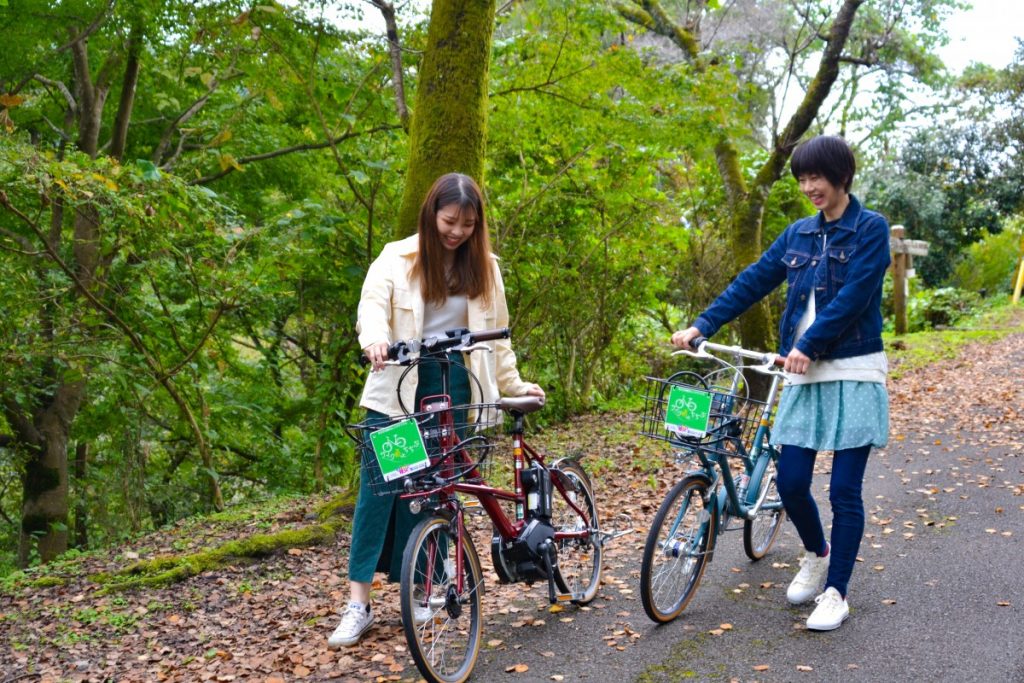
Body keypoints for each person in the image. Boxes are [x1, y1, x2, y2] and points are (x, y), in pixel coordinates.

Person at [671, 135, 890, 631]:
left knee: (844, 491)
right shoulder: (797, 235)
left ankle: (836, 591)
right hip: (800, 372)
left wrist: (809, 344)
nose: (810, 186)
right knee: (790, 481)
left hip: (852, 370)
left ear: (842, 176)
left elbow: (855, 295)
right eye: (802, 178)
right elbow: (754, 280)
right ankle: (816, 553)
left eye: (817, 177)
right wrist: (702, 325)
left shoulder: (871, 229)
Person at [329, 173, 545, 648]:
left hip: (455, 385)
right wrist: (374, 340)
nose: (457, 232)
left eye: (467, 224)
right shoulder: (396, 257)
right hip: (400, 385)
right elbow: (372, 306)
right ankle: (358, 604)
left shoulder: (485, 267)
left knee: (437, 490)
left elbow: (499, 337)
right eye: (450, 221)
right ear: (432, 214)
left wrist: (512, 384)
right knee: (381, 488)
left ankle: (425, 587)